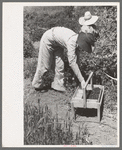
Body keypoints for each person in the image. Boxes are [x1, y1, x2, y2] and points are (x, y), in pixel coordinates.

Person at [32, 11, 99, 92]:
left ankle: (57, 85)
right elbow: (72, 63)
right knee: (45, 65)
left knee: (60, 65)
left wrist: (76, 77)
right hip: (48, 39)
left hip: (57, 43)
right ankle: (37, 85)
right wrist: (82, 80)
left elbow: (77, 61)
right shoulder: (72, 43)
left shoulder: (79, 41)